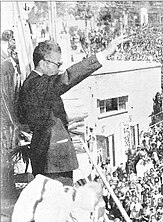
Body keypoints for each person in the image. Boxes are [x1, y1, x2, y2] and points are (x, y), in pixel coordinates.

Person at [18, 35, 129, 185]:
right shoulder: (36, 85)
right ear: (43, 63)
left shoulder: (35, 84)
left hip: (51, 158)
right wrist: (103, 55)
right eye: (58, 64)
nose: (60, 68)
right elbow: (67, 77)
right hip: (53, 161)